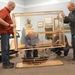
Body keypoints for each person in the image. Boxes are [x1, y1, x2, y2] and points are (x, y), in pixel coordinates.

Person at [0, 1, 16, 68]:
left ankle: (7, 62)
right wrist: (9, 25)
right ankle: (5, 64)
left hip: (7, 33)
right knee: (5, 49)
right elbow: (0, 19)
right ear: (9, 5)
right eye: (13, 7)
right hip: (4, 33)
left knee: (7, 48)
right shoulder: (4, 10)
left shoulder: (7, 12)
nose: (13, 9)